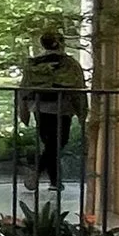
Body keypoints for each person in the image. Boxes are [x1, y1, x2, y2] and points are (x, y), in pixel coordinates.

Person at [17, 25, 86, 197]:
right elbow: (78, 88)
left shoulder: (34, 64)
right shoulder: (70, 64)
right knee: (57, 143)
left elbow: (24, 88)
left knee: (50, 143)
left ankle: (53, 181)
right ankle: (42, 174)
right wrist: (82, 111)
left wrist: (24, 110)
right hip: (62, 109)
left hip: (40, 108)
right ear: (61, 43)